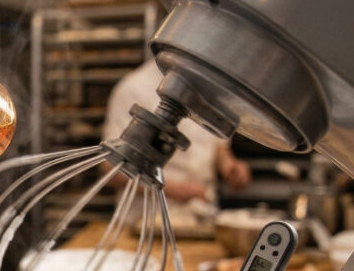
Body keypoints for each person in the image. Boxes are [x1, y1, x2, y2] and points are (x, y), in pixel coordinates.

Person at [102, 59, 251, 208]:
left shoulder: (210, 87)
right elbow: (111, 169)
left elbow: (217, 145)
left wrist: (229, 165)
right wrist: (171, 190)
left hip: (202, 215)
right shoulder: (133, 88)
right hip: (147, 217)